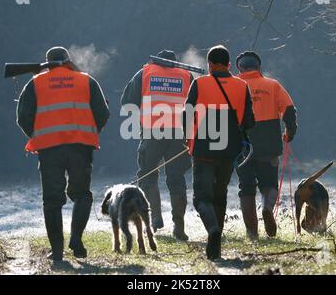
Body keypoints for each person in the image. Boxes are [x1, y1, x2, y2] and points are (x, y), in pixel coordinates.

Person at [17, 46, 110, 262]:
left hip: (49, 149)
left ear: (46, 62)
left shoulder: (35, 83)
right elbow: (103, 114)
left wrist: (38, 135)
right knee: (82, 195)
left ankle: (57, 251)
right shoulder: (86, 80)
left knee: (52, 200)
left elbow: (23, 116)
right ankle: (76, 240)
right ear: (68, 61)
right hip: (80, 147)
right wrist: (89, 132)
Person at [184, 45, 255, 260]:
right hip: (228, 152)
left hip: (203, 150)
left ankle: (213, 230)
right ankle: (216, 244)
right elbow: (249, 122)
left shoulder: (199, 83)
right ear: (229, 64)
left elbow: (187, 113)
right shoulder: (242, 86)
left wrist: (188, 140)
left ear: (211, 64)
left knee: (201, 198)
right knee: (220, 195)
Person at [121, 50, 193, 241]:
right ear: (175, 63)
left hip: (152, 132)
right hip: (179, 135)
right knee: (176, 178)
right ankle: (179, 226)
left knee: (147, 176)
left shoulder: (145, 73)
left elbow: (127, 101)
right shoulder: (187, 75)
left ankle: (154, 218)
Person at [235, 51, 297, 239]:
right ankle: (267, 208)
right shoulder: (273, 85)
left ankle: (252, 232)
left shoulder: (233, 86)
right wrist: (289, 133)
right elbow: (289, 111)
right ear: (258, 67)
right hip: (269, 144)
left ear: (239, 68)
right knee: (269, 183)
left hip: (241, 145)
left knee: (246, 187)